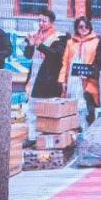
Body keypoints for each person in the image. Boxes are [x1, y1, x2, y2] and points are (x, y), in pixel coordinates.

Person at [22, 10, 69, 148]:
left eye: (44, 21)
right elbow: (27, 55)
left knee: (48, 111)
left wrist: (40, 45)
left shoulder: (59, 37)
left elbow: (56, 55)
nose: (41, 23)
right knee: (31, 110)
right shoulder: (34, 36)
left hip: (49, 79)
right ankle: (32, 137)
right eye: (39, 21)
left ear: (51, 22)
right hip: (34, 77)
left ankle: (47, 140)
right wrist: (30, 45)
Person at [59, 16, 101, 126]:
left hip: (88, 80)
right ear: (76, 28)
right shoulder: (70, 42)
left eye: (86, 26)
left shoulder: (97, 41)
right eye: (81, 26)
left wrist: (90, 73)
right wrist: (62, 80)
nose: (84, 29)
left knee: (88, 107)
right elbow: (65, 62)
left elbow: (98, 62)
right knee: (72, 106)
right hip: (72, 80)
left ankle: (87, 129)